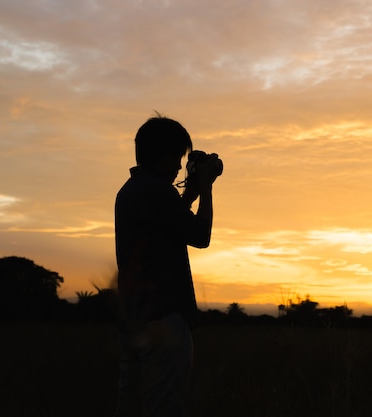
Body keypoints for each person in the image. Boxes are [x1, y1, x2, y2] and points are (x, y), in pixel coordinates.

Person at [114, 114, 221, 417]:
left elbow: (167, 220)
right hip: (164, 321)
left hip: (135, 321)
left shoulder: (131, 191)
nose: (178, 166)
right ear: (163, 155)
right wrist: (207, 188)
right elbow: (200, 236)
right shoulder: (158, 192)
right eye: (177, 158)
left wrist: (190, 194)